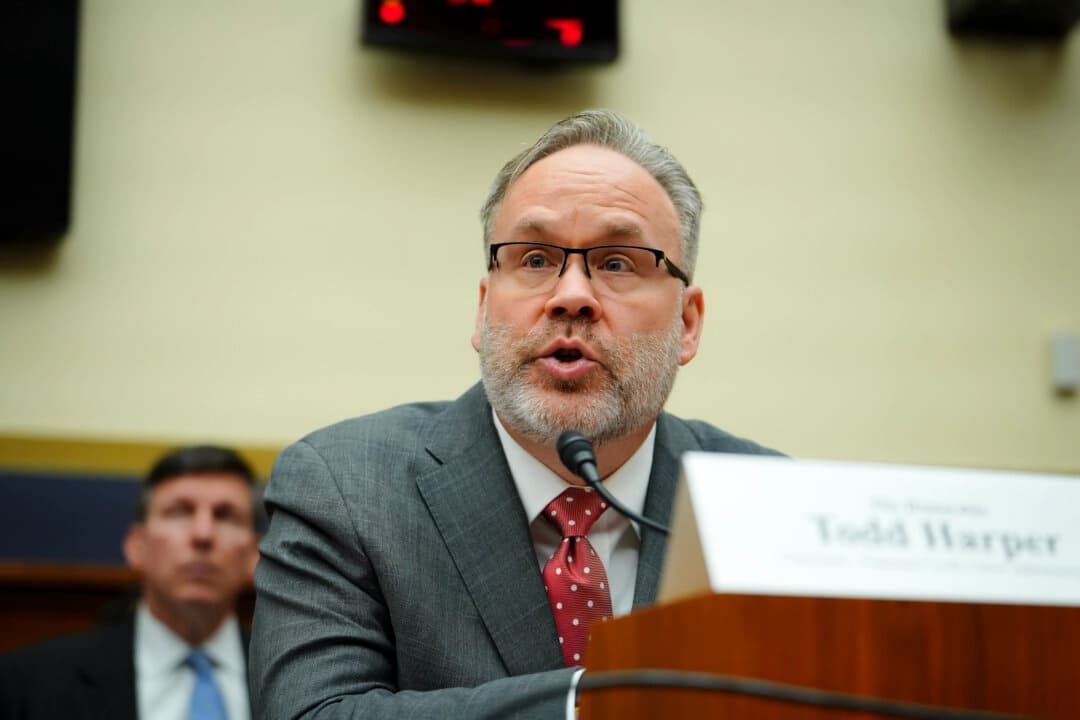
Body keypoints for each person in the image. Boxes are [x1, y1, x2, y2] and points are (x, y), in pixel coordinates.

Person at [249, 109, 781, 719]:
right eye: (533, 259)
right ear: (483, 312)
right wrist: (593, 704)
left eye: (616, 263)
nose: (571, 296)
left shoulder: (763, 502)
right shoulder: (344, 487)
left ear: (687, 324)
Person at [0, 445, 262, 720]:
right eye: (180, 512)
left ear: (254, 553)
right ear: (136, 545)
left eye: (225, 515)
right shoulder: (27, 685)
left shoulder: (293, 681)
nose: (203, 534)